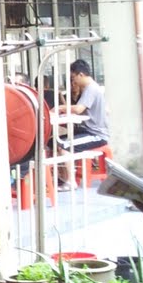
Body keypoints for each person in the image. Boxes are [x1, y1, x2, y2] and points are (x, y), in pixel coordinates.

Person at [54, 59, 109, 187]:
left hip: (96, 134)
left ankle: (70, 181)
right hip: (88, 130)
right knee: (55, 141)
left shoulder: (91, 88)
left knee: (64, 145)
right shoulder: (91, 88)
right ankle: (64, 177)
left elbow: (78, 109)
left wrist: (60, 108)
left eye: (73, 78)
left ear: (81, 74)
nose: (73, 81)